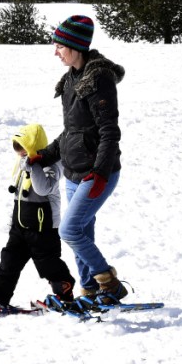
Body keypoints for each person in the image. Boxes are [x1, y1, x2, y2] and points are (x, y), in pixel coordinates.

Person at [32, 15, 127, 305]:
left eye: (59, 45)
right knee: (82, 232)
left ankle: (109, 283)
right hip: (73, 172)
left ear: (75, 46)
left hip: (98, 172)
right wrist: (44, 155)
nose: (56, 51)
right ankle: (89, 289)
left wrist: (99, 173)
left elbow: (109, 132)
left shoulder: (98, 79)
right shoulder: (72, 79)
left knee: (69, 230)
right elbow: (72, 131)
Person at [0, 124, 75, 309]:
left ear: (33, 146)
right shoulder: (23, 165)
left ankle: (64, 291)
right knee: (8, 261)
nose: (20, 154)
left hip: (42, 228)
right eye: (17, 149)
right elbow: (19, 195)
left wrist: (34, 165)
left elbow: (42, 188)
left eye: (23, 148)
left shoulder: (52, 165)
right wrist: (12, 221)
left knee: (47, 263)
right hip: (20, 227)